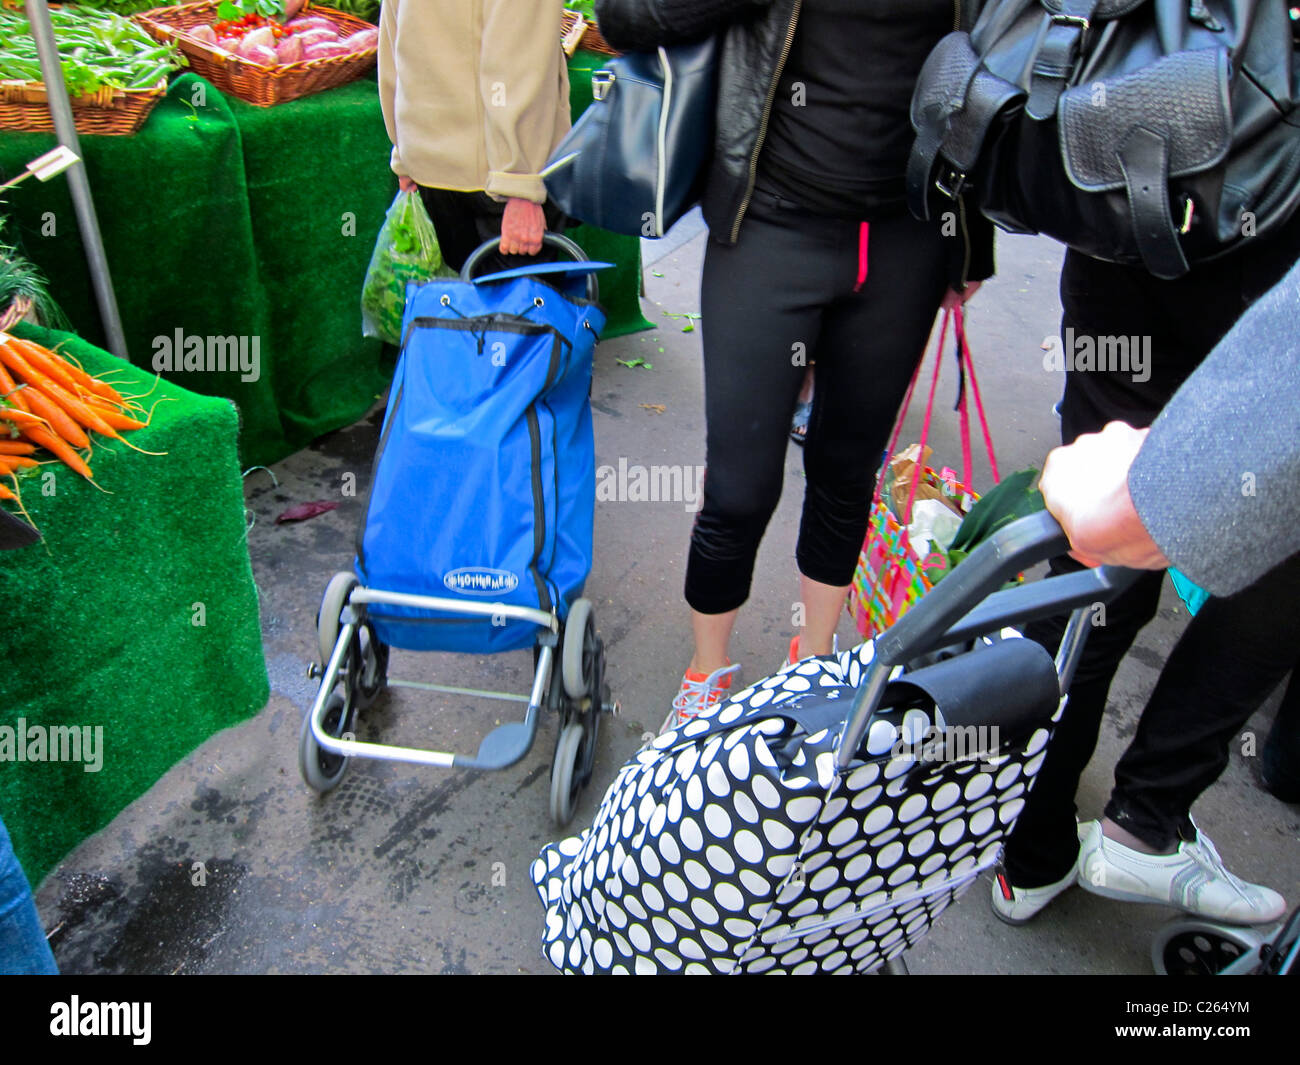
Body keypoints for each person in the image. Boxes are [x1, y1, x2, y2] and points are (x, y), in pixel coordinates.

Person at [595, 0, 994, 732]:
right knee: (740, 487)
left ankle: (813, 659)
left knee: (847, 472)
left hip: (905, 240)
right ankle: (706, 670)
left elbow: (994, 70)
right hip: (769, 227)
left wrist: (972, 242)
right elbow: (621, 17)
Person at [992, 209, 1300, 927]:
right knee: (1279, 543)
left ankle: (1021, 845)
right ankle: (1145, 817)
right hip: (1267, 259)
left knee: (1094, 567)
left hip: (1138, 199)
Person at [377, 0, 570, 274]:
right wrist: (521, 183)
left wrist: (403, 147)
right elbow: (515, 59)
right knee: (519, 312)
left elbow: (392, 36)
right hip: (498, 178)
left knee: (464, 309)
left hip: (432, 163)